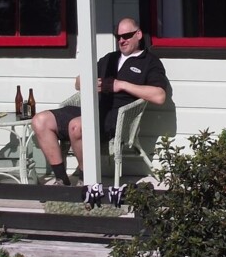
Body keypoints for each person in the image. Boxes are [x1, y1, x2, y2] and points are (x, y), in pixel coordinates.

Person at [32, 17, 169, 185]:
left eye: (126, 36)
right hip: (92, 108)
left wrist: (121, 85)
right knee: (40, 120)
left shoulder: (150, 62)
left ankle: (85, 180)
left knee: (77, 126)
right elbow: (78, 83)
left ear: (138, 34)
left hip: (117, 116)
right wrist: (90, 82)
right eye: (118, 37)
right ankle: (61, 180)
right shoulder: (110, 58)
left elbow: (159, 96)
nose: (122, 40)